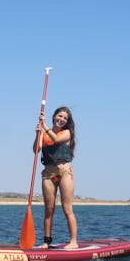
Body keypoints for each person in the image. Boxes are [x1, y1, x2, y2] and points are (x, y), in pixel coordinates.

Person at [34, 106, 78, 249]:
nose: (62, 119)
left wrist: (45, 126)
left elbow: (57, 139)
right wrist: (38, 133)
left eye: (65, 118)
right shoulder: (44, 134)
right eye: (60, 116)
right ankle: (47, 242)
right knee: (48, 209)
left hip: (64, 172)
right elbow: (36, 150)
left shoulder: (67, 133)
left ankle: (73, 242)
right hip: (48, 173)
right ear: (54, 117)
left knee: (67, 208)